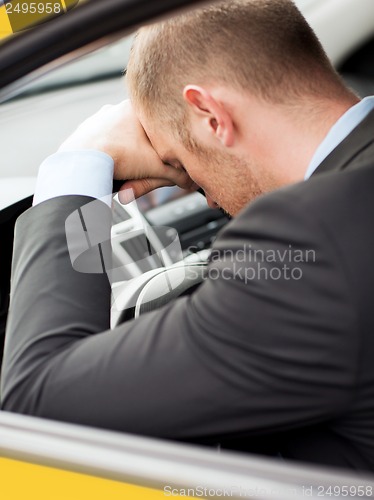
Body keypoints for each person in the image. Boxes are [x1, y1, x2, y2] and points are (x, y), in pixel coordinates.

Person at [1, 0, 374, 471]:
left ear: (211, 114)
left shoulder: (312, 243)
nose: (210, 202)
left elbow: (38, 404)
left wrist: (79, 167)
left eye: (184, 168)